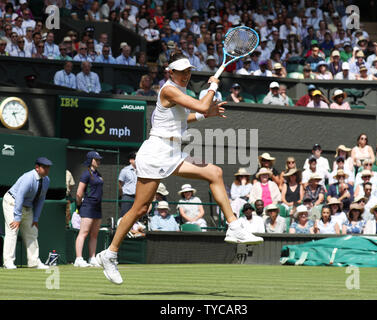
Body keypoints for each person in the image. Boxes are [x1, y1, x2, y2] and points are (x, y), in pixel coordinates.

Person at [95, 53, 263, 284]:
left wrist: (206, 115)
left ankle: (233, 226)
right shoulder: (168, 90)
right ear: (170, 72)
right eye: (181, 71)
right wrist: (212, 87)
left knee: (214, 172)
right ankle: (110, 254)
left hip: (173, 153)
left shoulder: (178, 93)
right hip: (155, 154)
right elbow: (203, 104)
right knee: (140, 208)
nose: (186, 75)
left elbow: (184, 119)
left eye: (188, 71)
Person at [2, 157, 52, 269]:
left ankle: (34, 262)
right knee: (12, 230)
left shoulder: (47, 180)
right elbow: (19, 196)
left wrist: (36, 218)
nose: (47, 170)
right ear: (37, 168)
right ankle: (8, 262)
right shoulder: (28, 178)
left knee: (32, 231)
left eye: (48, 168)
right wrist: (17, 217)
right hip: (12, 202)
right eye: (44, 167)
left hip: (27, 207)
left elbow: (41, 199)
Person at [74, 151, 104, 268]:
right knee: (84, 233)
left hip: (97, 207)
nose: (99, 161)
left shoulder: (99, 174)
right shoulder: (86, 174)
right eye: (96, 159)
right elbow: (79, 193)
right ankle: (78, 258)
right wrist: (79, 205)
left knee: (94, 234)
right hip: (88, 206)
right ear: (91, 160)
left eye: (99, 159)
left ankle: (92, 258)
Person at [118, 152, 138, 218]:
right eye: (136, 158)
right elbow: (120, 184)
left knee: (136, 218)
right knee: (125, 216)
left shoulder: (141, 171)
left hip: (138, 198)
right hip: (127, 197)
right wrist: (122, 194)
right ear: (131, 160)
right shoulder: (125, 170)